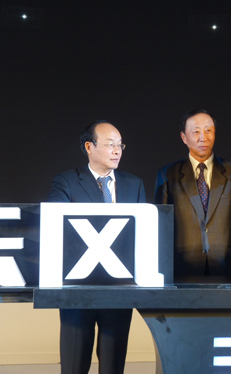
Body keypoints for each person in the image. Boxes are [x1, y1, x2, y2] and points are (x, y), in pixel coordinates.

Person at [47, 120, 146, 374]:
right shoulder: (66, 182)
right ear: (89, 147)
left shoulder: (134, 183)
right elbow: (57, 228)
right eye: (110, 144)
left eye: (120, 145)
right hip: (78, 289)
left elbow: (142, 234)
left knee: (113, 365)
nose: (117, 150)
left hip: (119, 288)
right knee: (74, 364)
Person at [155, 109, 231, 278]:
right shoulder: (168, 175)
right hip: (182, 272)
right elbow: (161, 232)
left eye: (208, 130)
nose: (203, 137)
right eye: (196, 132)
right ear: (184, 137)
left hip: (226, 271)